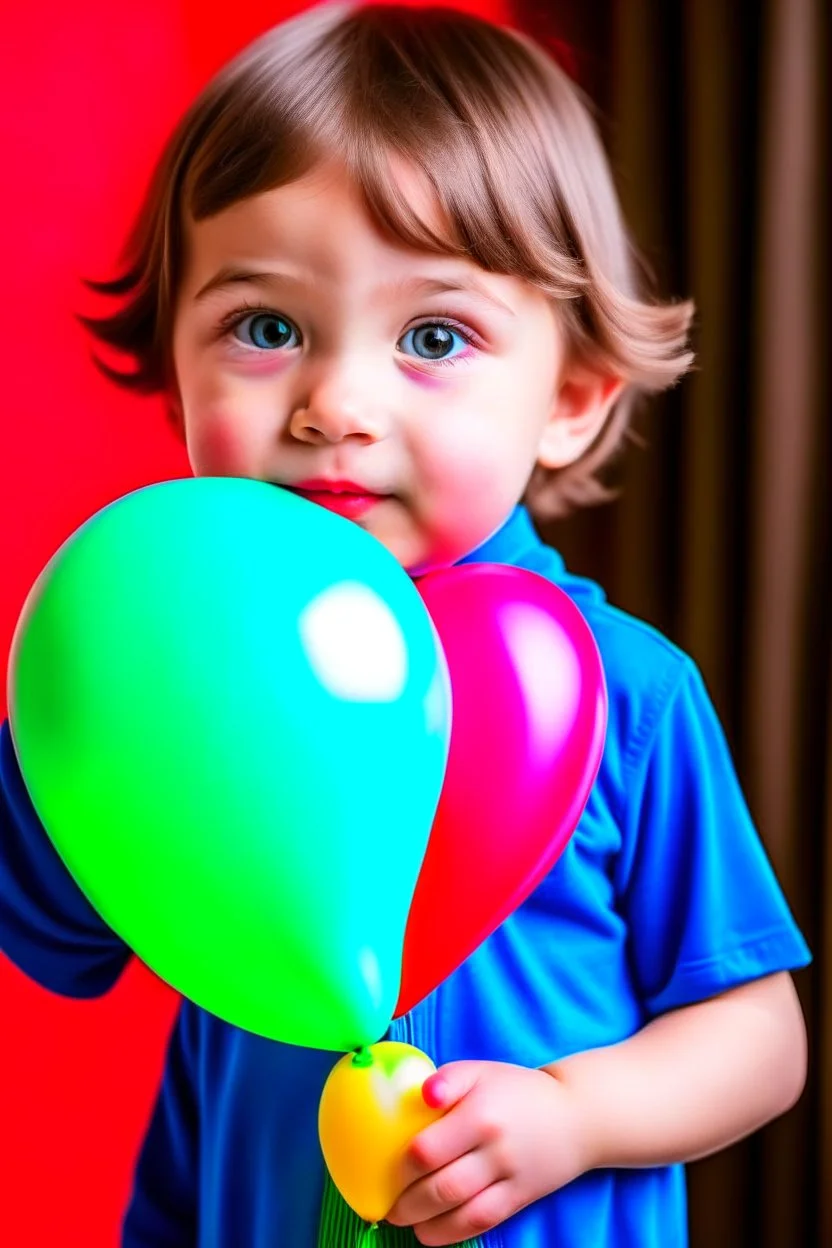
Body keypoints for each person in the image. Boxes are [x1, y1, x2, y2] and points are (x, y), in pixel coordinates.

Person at [0, 4, 811, 1247]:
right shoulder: (188, 689)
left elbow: (758, 1041)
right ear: (175, 366)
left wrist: (575, 1114)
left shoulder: (623, 695)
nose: (336, 403)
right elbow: (57, 919)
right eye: (265, 329)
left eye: (433, 336)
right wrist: (77, 714)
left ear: (574, 400)